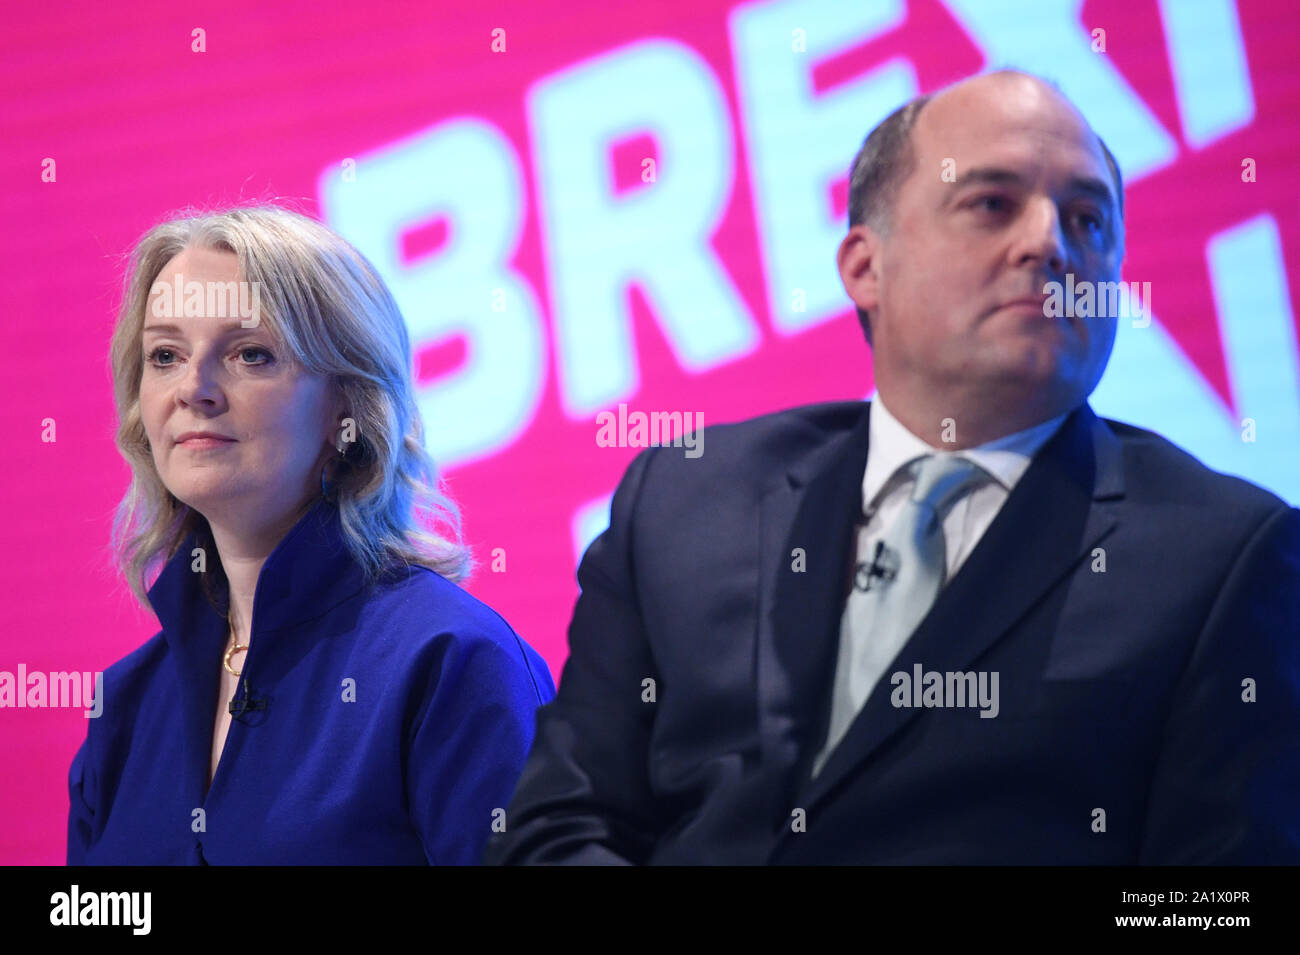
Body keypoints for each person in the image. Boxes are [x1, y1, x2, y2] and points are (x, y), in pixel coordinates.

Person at [484, 70, 1300, 865]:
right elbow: (556, 827)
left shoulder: (1225, 557)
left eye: (1090, 219)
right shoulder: (686, 497)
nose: (1049, 244)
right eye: (991, 204)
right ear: (865, 267)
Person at [68, 204, 555, 865]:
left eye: (250, 353)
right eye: (165, 354)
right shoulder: (124, 706)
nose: (194, 388)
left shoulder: (454, 662)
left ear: (347, 407)